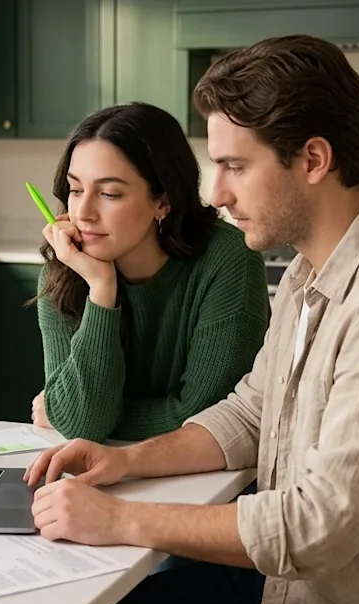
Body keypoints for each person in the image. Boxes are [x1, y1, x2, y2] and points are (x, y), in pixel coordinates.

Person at [26, 34, 359, 604]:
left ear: (312, 159)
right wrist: (123, 459)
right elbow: (250, 413)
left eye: (234, 166)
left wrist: (120, 519)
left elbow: (315, 527)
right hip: (292, 593)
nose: (215, 193)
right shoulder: (312, 272)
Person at [30, 102, 271, 443]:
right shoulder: (65, 271)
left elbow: (213, 415)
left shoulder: (227, 258)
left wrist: (83, 418)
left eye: (109, 193)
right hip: (104, 471)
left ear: (163, 201)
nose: (83, 213)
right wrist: (101, 288)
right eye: (76, 190)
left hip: (207, 474)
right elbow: (82, 423)